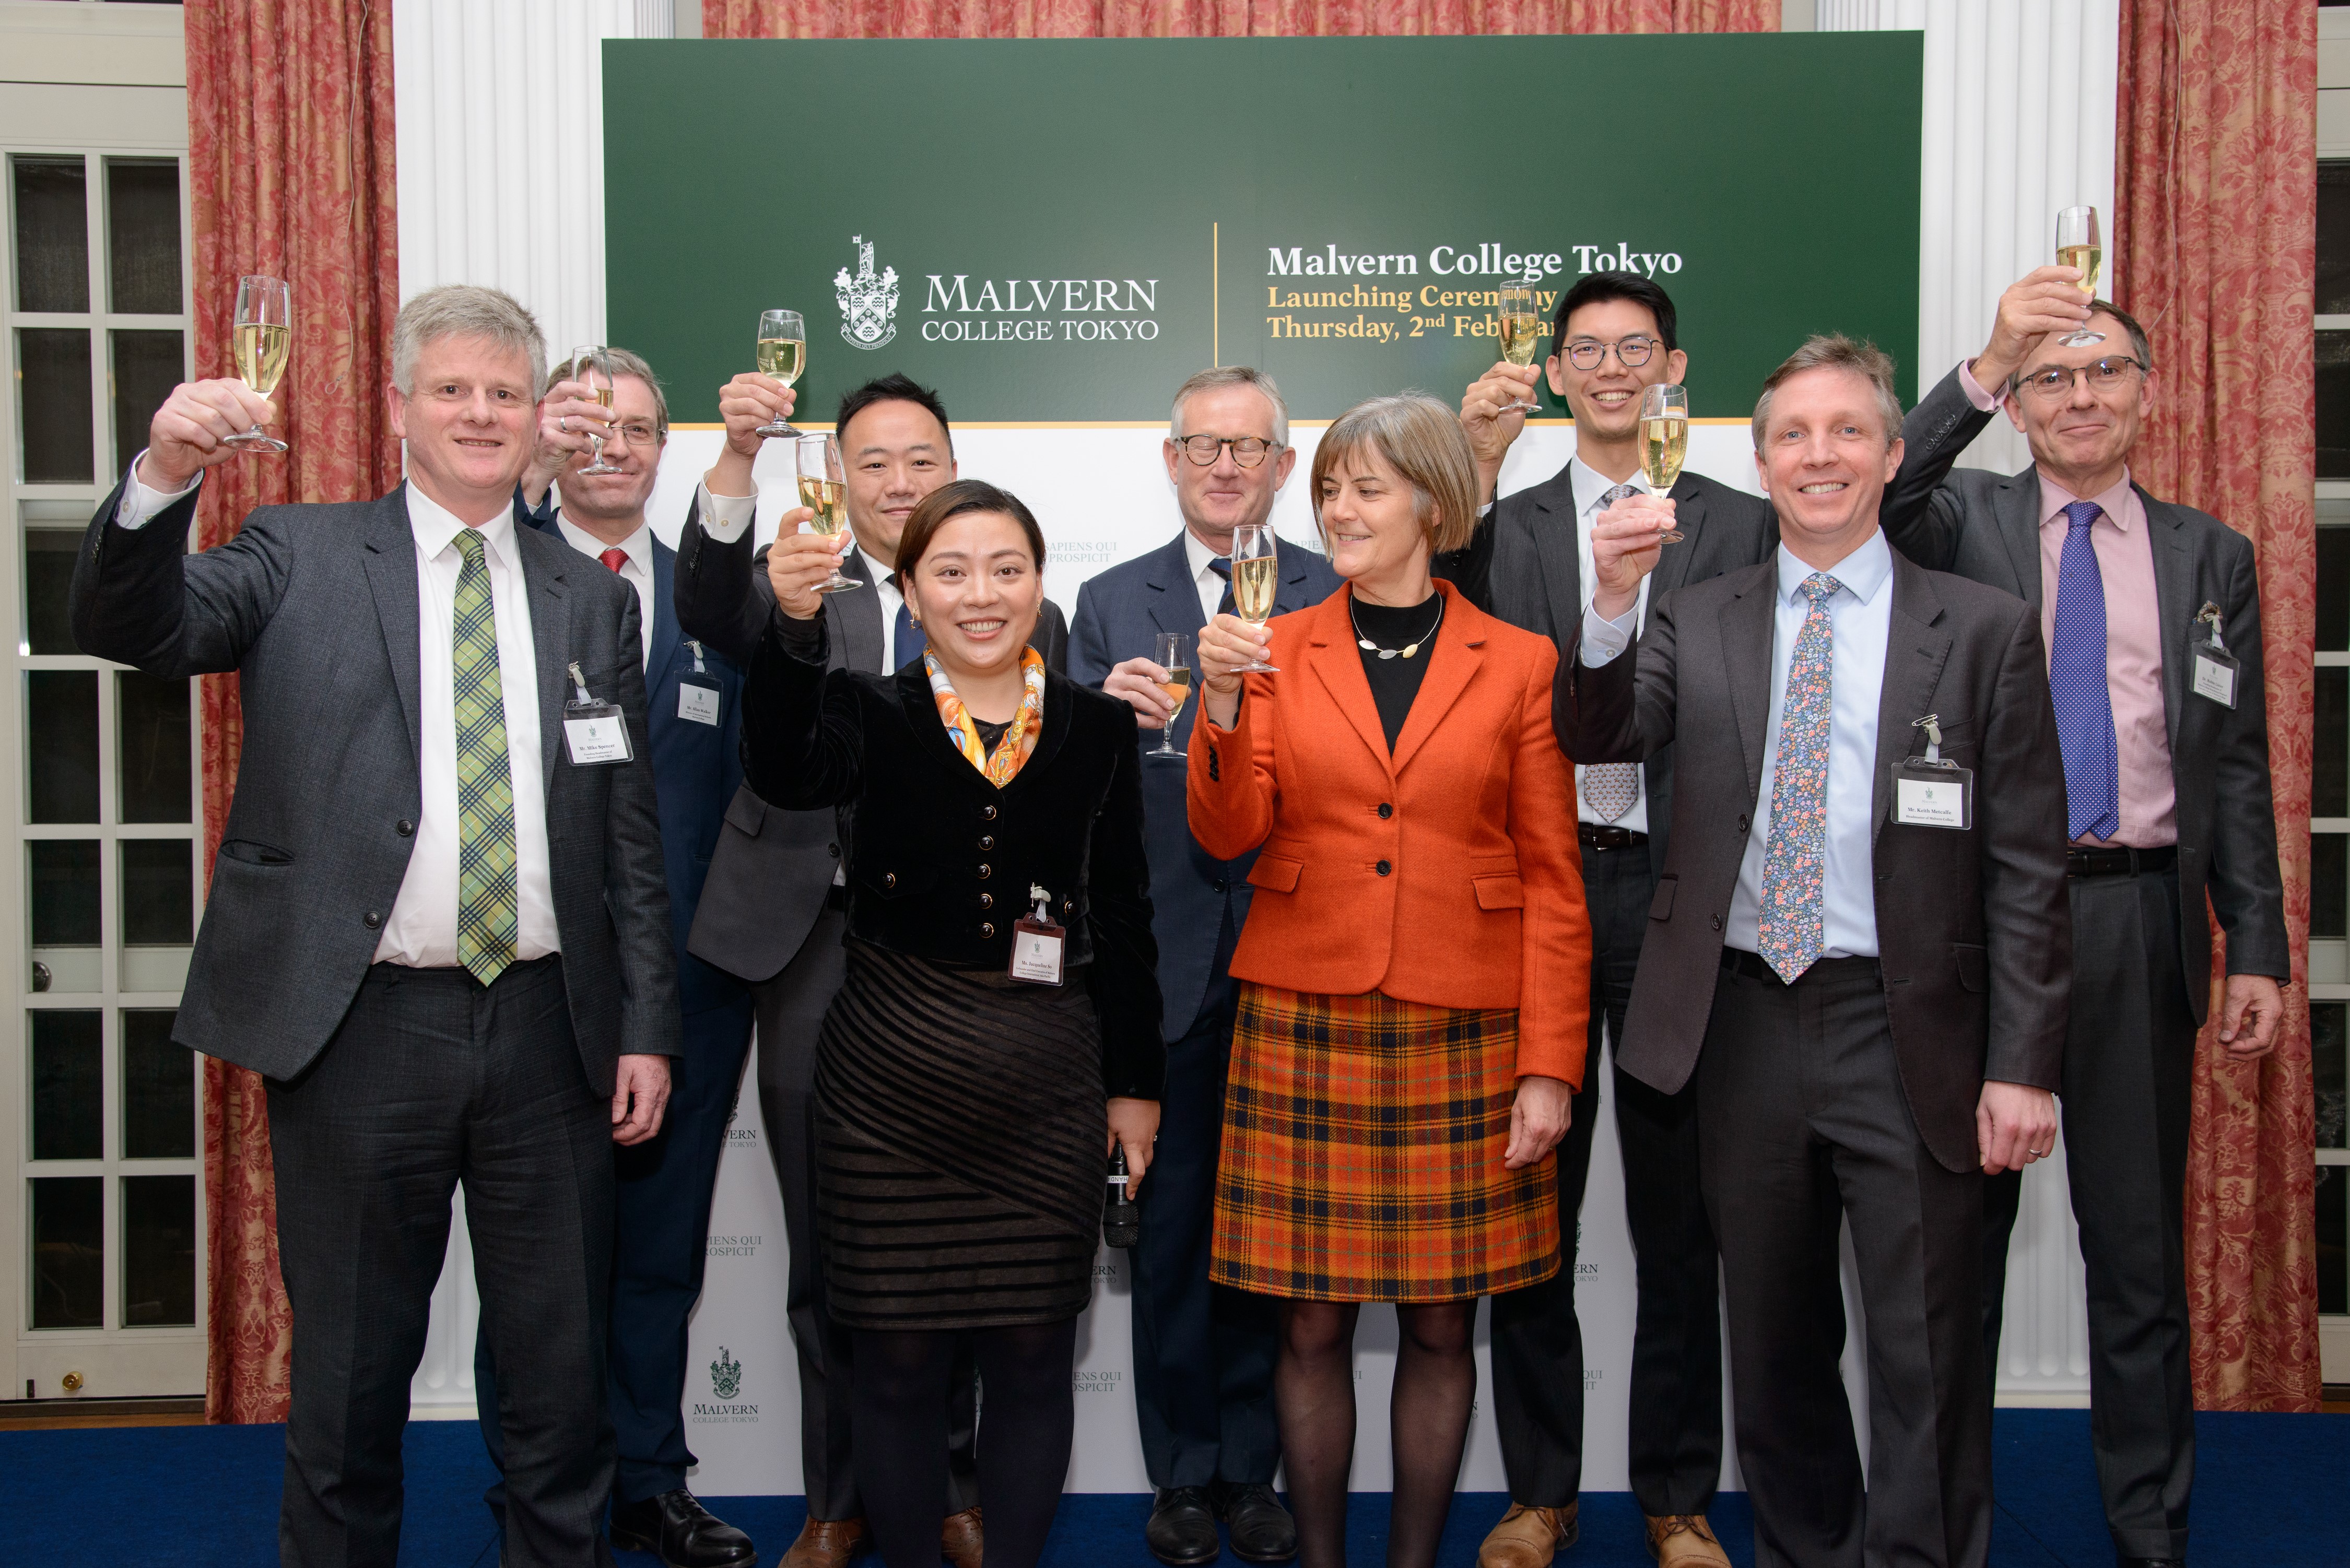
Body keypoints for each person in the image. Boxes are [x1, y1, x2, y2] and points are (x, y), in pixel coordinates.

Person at [69, 284, 677, 1566]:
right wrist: (164, 466)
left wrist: (649, 1027)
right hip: (359, 1028)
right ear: (399, 405)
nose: (479, 412)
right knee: (348, 1398)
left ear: (537, 423)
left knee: (562, 1402)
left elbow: (627, 832)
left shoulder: (591, 597)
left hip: (552, 1036)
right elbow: (133, 625)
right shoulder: (294, 550)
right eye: (451, 388)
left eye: (504, 393)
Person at [1555, 334, 2071, 1568]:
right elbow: (1601, 733)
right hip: (1741, 1025)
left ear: (1894, 455)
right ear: (1762, 456)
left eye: (1848, 431)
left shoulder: (1988, 628)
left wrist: (2026, 1061)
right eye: (1794, 433)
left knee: (1925, 1348)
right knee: (1776, 1350)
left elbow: (2029, 868)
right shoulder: (1694, 613)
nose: (1820, 455)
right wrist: (1612, 601)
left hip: (1919, 1032)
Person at [1885, 276, 2288, 1568]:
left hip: (2135, 926)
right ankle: (1948, 1534)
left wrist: (2261, 944)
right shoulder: (1963, 519)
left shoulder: (2209, 553)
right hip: (1980, 929)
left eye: (2103, 370)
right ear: (2022, 401)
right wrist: (1987, 359)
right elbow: (1882, 488)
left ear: (2145, 391)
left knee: (2136, 1257)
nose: (2080, 396)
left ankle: (2150, 1532)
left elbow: (2234, 765)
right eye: (2052, 377)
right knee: (1959, 1263)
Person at [1187, 394, 1589, 1568]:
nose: (1337, 509)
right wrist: (1219, 704)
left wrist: (1550, 1065)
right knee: (1308, 1325)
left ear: (1432, 501)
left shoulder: (1519, 660)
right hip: (1303, 1010)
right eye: (1329, 488)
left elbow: (1556, 884)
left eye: (1365, 487)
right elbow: (1227, 832)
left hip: (1464, 1023)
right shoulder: (1274, 642)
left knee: (1439, 1322)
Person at [673, 373, 1061, 1568]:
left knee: (950, 1243)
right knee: (826, 1248)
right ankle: (838, 1499)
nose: (900, 482)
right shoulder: (802, 580)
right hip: (808, 945)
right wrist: (737, 468)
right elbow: (707, 604)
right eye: (874, 462)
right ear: (838, 476)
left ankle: (946, 1485)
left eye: (921, 458)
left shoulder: (1005, 601)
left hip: (954, 969)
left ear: (954, 464)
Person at [741, 478, 1163, 1568]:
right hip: (888, 1072)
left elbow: (1122, 918)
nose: (984, 594)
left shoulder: (1100, 726)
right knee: (892, 1361)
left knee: (1031, 1354)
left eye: (1008, 568)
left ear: (1040, 583)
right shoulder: (864, 710)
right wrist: (792, 630)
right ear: (911, 590)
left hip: (1046, 1077)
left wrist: (1135, 1087)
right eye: (953, 571)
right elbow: (781, 766)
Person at [1446, 272, 1775, 1568]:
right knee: (1534, 1205)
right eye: (1588, 350)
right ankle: (1540, 1490)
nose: (1613, 368)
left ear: (1674, 366)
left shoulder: (1742, 524)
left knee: (1678, 1213)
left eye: (1636, 348)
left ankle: (1678, 1495)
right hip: (1532, 889)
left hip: (1680, 890)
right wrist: (1471, 458)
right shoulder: (1505, 521)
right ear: (1560, 372)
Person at [462, 349, 755, 1566]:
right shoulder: (487, 577)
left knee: (661, 1253)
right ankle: (535, 1484)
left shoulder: (715, 596)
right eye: (589, 423)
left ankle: (648, 1476)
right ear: (547, 436)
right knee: (536, 1263)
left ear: (662, 447)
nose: (614, 446)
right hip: (532, 981)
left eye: (637, 427)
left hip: (684, 984)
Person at [1068, 364, 1338, 1567]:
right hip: (1169, 953)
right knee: (1171, 1224)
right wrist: (1098, 715)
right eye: (1202, 446)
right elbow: (1057, 783)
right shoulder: (1108, 598)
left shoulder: (1339, 591)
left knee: (1273, 1226)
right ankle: (1181, 1470)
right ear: (1170, 461)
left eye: (1250, 448)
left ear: (1285, 467)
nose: (1225, 465)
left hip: (1304, 947)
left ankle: (1250, 1465)